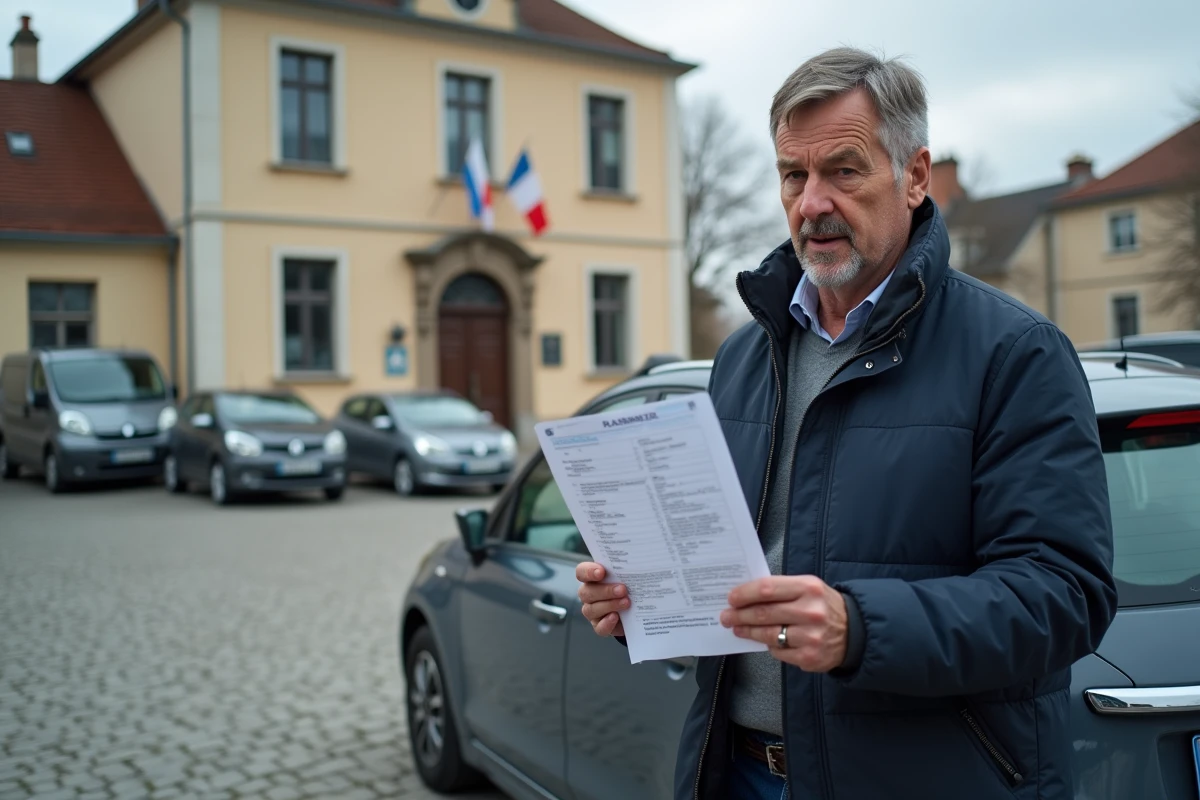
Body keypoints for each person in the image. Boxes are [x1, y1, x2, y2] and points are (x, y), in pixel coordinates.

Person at [577, 47, 1116, 800]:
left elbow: (1064, 596)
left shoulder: (1015, 354)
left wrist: (859, 627)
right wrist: (640, 603)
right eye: (793, 176)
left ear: (916, 175)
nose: (812, 203)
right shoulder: (744, 356)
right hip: (738, 774)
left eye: (844, 170)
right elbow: (726, 575)